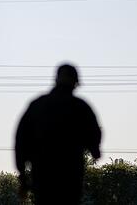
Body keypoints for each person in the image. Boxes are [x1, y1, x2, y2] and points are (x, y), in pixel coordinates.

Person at [15, 63, 102, 204]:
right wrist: (95, 150)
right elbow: (94, 134)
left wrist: (23, 177)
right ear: (75, 83)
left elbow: (20, 141)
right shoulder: (80, 107)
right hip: (71, 176)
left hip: (42, 176)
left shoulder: (37, 105)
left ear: (56, 80)